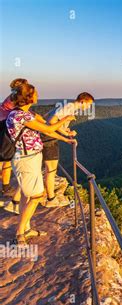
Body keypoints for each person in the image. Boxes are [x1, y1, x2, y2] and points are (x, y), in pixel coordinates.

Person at [6, 83, 76, 245]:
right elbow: (47, 127)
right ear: (29, 97)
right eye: (35, 93)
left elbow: (47, 130)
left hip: (31, 158)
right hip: (25, 159)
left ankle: (27, 229)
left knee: (26, 194)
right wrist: (65, 119)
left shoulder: (25, 113)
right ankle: (19, 234)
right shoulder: (21, 117)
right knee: (38, 196)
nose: (38, 95)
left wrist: (66, 138)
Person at [41, 92, 94, 208]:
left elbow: (47, 117)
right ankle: (51, 199)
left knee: (50, 169)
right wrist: (65, 134)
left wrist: (67, 131)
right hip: (48, 139)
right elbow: (51, 121)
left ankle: (45, 196)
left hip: (47, 137)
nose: (89, 107)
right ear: (83, 101)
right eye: (89, 104)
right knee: (51, 170)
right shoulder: (69, 107)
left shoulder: (69, 107)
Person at [0, 78, 29, 199]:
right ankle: (5, 187)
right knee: (4, 158)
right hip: (3, 128)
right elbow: (21, 114)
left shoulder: (11, 97)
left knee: (4, 158)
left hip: (3, 125)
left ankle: (5, 186)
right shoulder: (15, 100)